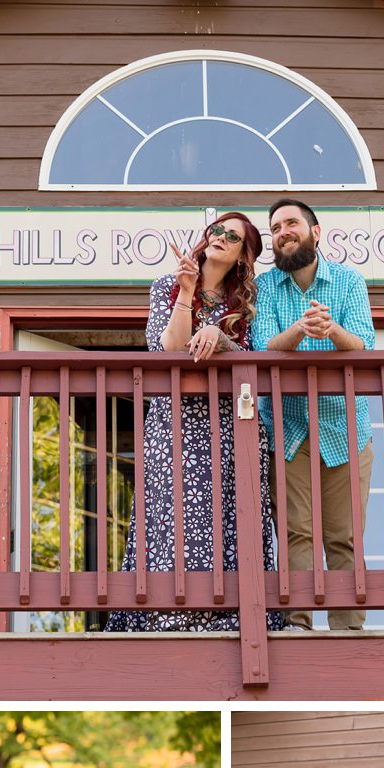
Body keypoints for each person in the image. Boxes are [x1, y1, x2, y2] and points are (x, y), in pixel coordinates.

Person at [104, 211, 282, 633]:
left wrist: (222, 339)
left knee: (234, 510)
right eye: (216, 230)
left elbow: (258, 358)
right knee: (173, 511)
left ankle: (235, 614)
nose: (220, 237)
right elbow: (165, 352)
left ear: (243, 255)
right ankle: (169, 615)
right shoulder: (167, 286)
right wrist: (186, 293)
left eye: (232, 236)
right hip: (176, 423)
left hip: (232, 422)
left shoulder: (248, 303)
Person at [251, 197, 376, 631]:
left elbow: (364, 343)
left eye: (291, 224)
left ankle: (348, 630)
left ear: (315, 232)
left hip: (346, 426)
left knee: (343, 536)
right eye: (275, 228)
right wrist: (302, 329)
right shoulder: (266, 287)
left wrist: (332, 331)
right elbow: (263, 345)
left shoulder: (348, 280)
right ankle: (298, 626)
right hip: (288, 427)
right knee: (296, 532)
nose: (282, 232)